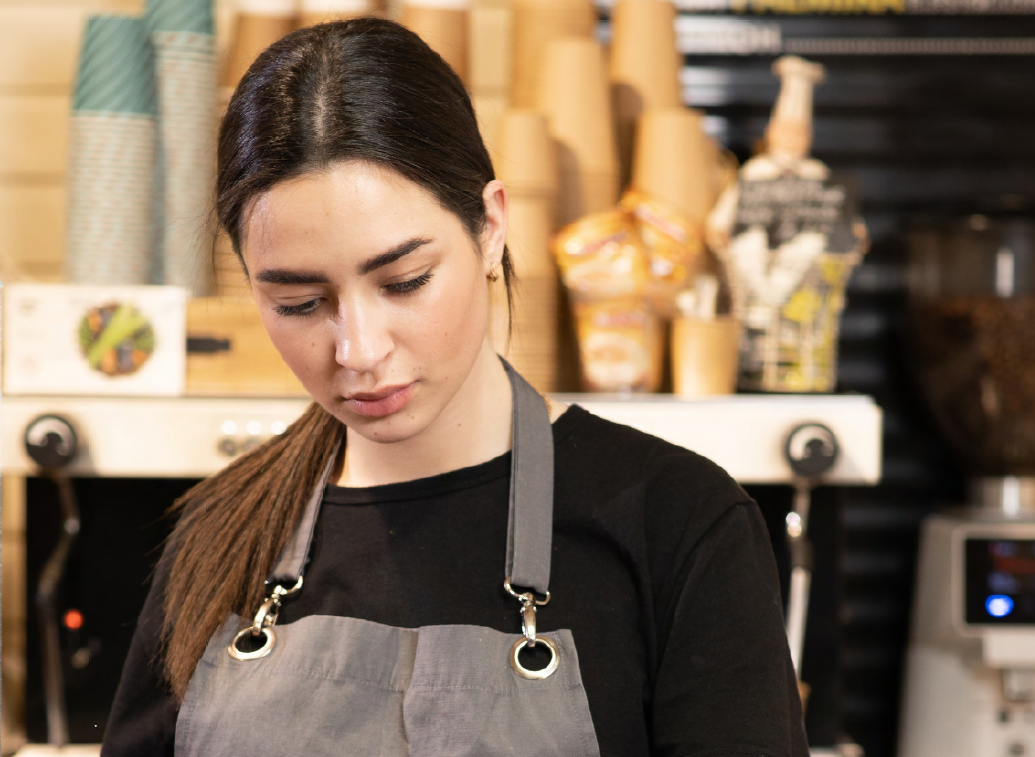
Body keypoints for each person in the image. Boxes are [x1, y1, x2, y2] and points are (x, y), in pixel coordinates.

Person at [102, 17, 806, 757]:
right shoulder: (220, 531)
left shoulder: (675, 522)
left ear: (490, 226)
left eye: (404, 282)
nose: (359, 349)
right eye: (300, 302)